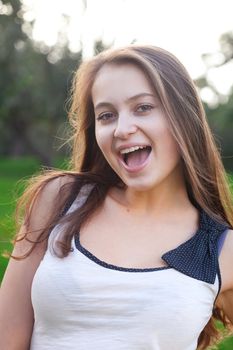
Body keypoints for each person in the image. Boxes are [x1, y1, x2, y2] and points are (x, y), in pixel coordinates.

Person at [0, 45, 233, 350]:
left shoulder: (221, 249)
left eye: (143, 107)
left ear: (183, 117)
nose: (122, 129)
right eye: (107, 115)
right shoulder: (59, 200)